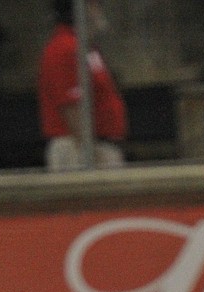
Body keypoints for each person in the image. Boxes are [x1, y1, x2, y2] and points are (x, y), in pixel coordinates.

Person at [38, 0, 127, 171]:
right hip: (77, 148)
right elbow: (71, 106)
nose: (99, 10)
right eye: (94, 5)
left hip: (97, 145)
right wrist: (90, 150)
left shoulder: (84, 46)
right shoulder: (65, 47)